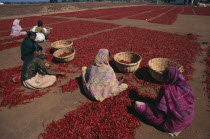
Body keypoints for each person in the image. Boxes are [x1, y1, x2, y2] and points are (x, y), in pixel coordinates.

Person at [135, 67, 194, 137]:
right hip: (187, 121)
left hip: (172, 125)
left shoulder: (167, 89)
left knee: (139, 106)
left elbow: (158, 106)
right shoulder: (186, 86)